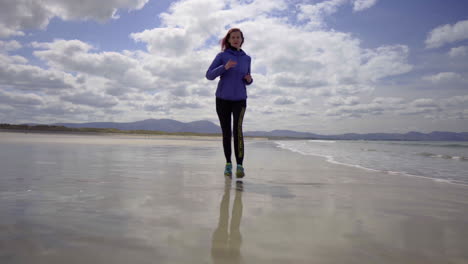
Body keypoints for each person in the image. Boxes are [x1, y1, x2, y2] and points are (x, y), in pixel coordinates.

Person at [206, 28, 253, 178]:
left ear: (242, 39)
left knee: (238, 131)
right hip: (222, 99)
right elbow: (209, 75)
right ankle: (228, 164)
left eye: (238, 37)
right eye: (232, 37)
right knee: (227, 132)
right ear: (228, 40)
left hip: (240, 99)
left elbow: (248, 79)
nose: (235, 39)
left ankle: (240, 165)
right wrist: (224, 67)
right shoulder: (222, 56)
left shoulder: (247, 58)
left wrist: (249, 80)